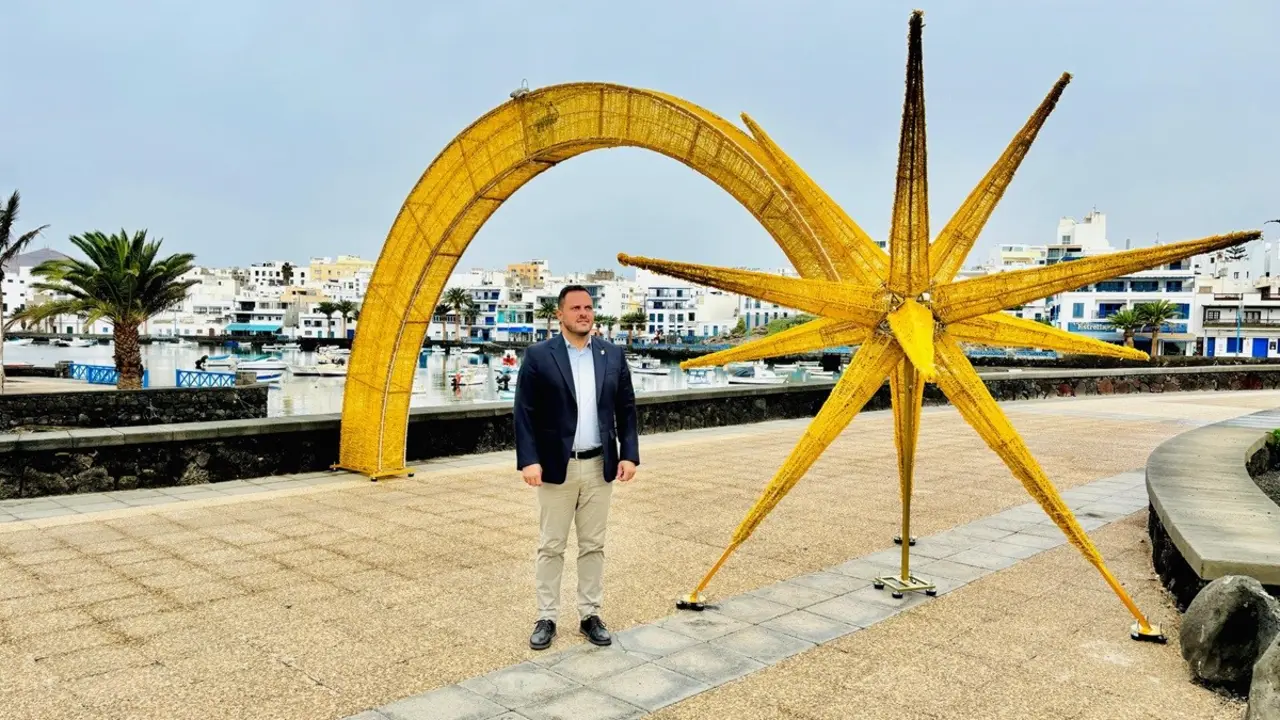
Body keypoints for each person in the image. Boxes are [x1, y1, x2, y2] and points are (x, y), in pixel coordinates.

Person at [513, 285, 639, 650]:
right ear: (560, 314)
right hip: (557, 466)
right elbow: (524, 412)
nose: (584, 313)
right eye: (576, 308)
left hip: (600, 464)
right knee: (551, 545)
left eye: (588, 307)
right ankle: (546, 617)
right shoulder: (539, 356)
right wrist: (529, 460)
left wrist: (629, 453)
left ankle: (589, 614)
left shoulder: (611, 354)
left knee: (593, 545)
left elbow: (626, 409)